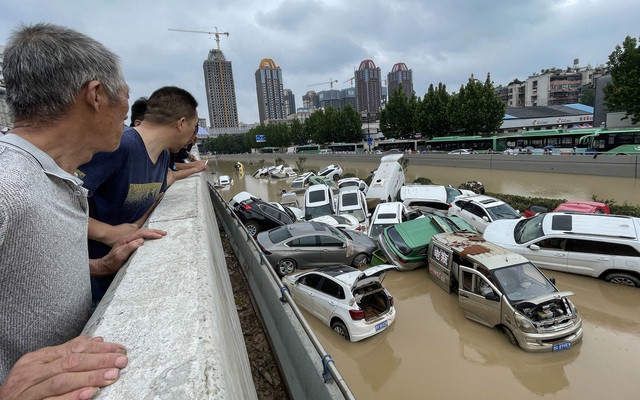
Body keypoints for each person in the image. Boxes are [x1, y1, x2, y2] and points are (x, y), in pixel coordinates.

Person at [0, 22, 166, 397]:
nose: (126, 118)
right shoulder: (7, 187)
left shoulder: (53, 178)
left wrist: (98, 265)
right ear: (95, 94)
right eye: (124, 100)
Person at [77, 86, 205, 303]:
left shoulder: (163, 156)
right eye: (193, 129)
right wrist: (108, 233)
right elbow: (56, 203)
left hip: (118, 275)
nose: (192, 139)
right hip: (87, 281)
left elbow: (161, 187)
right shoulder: (119, 146)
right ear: (181, 123)